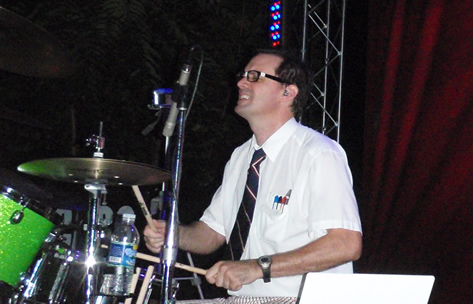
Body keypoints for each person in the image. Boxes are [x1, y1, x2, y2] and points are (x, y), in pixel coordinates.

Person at [143, 49, 362, 299]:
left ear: (288, 92)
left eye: (255, 76)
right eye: (243, 75)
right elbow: (212, 233)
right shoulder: (241, 156)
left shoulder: (319, 154)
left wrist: (258, 268)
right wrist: (173, 234)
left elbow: (346, 244)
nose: (240, 82)